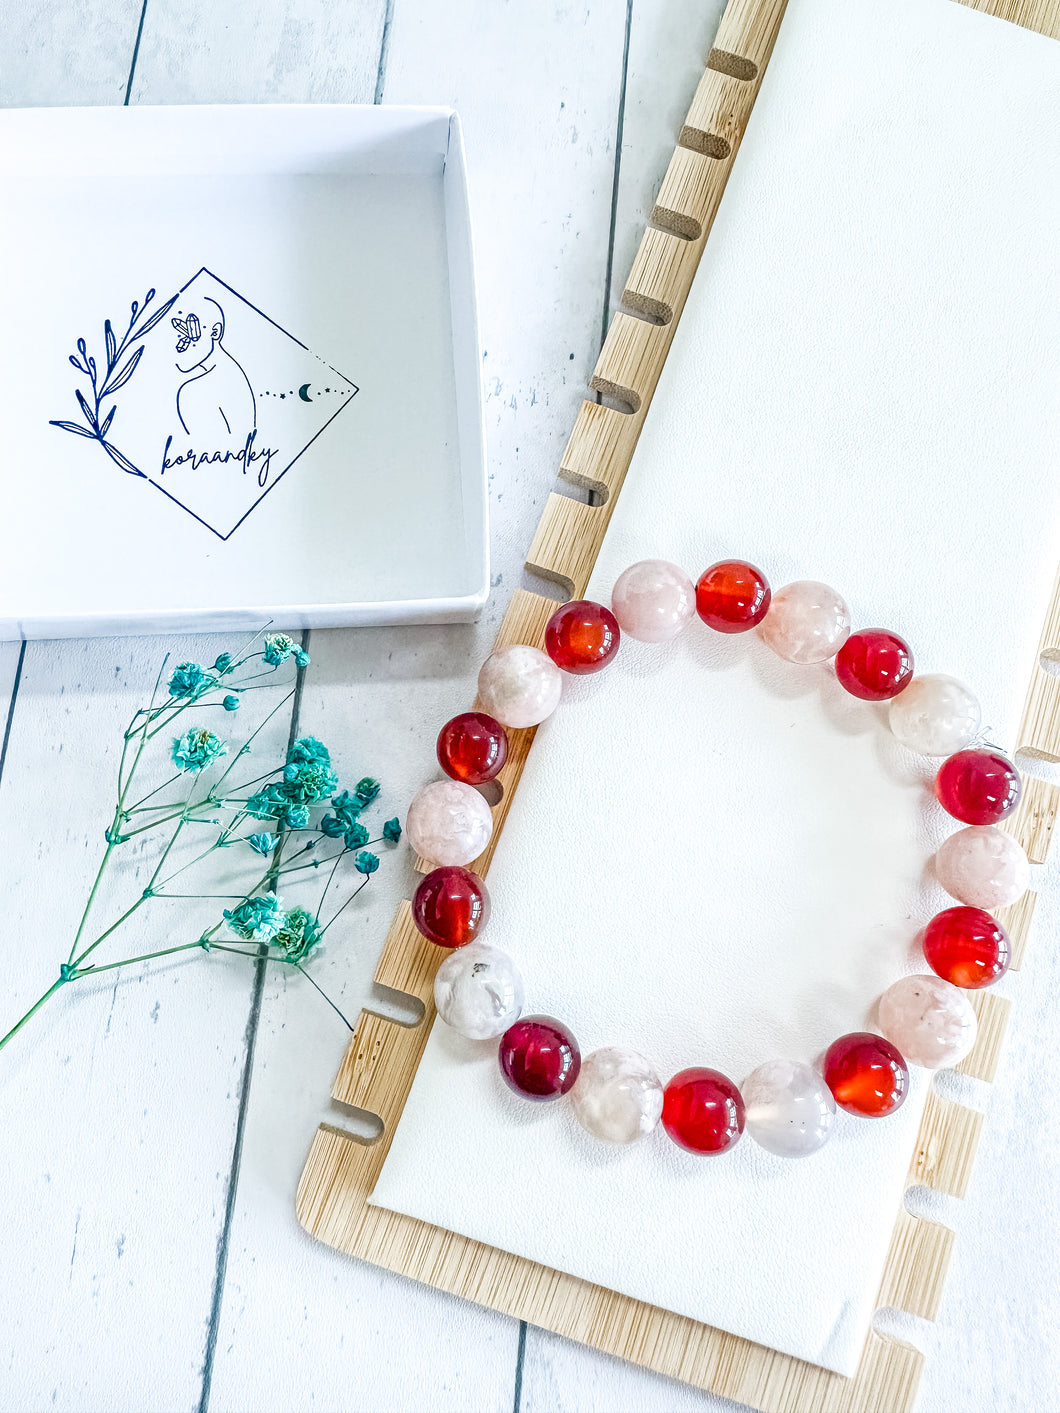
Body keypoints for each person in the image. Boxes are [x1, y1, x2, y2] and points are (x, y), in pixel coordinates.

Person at [172, 297, 255, 442]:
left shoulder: (193, 391)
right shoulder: (230, 373)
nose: (181, 345)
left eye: (192, 333)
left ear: (215, 332)